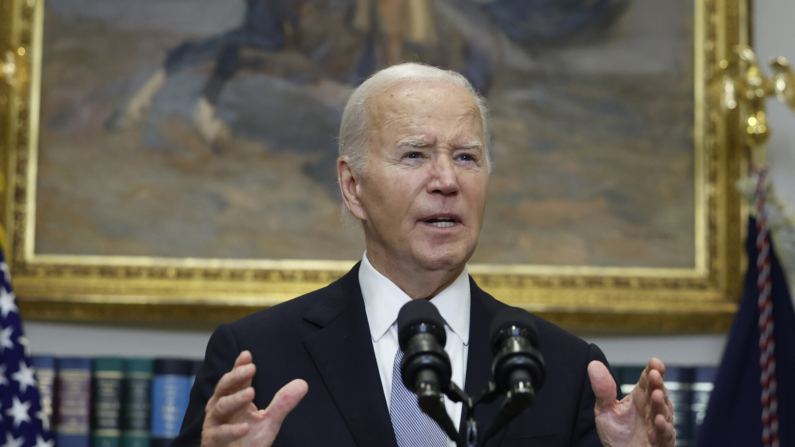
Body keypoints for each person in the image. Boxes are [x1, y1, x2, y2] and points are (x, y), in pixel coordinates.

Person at [171, 63, 676, 447]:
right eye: (415, 155)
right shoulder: (256, 359)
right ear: (353, 187)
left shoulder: (565, 369)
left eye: (466, 157)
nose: (447, 181)